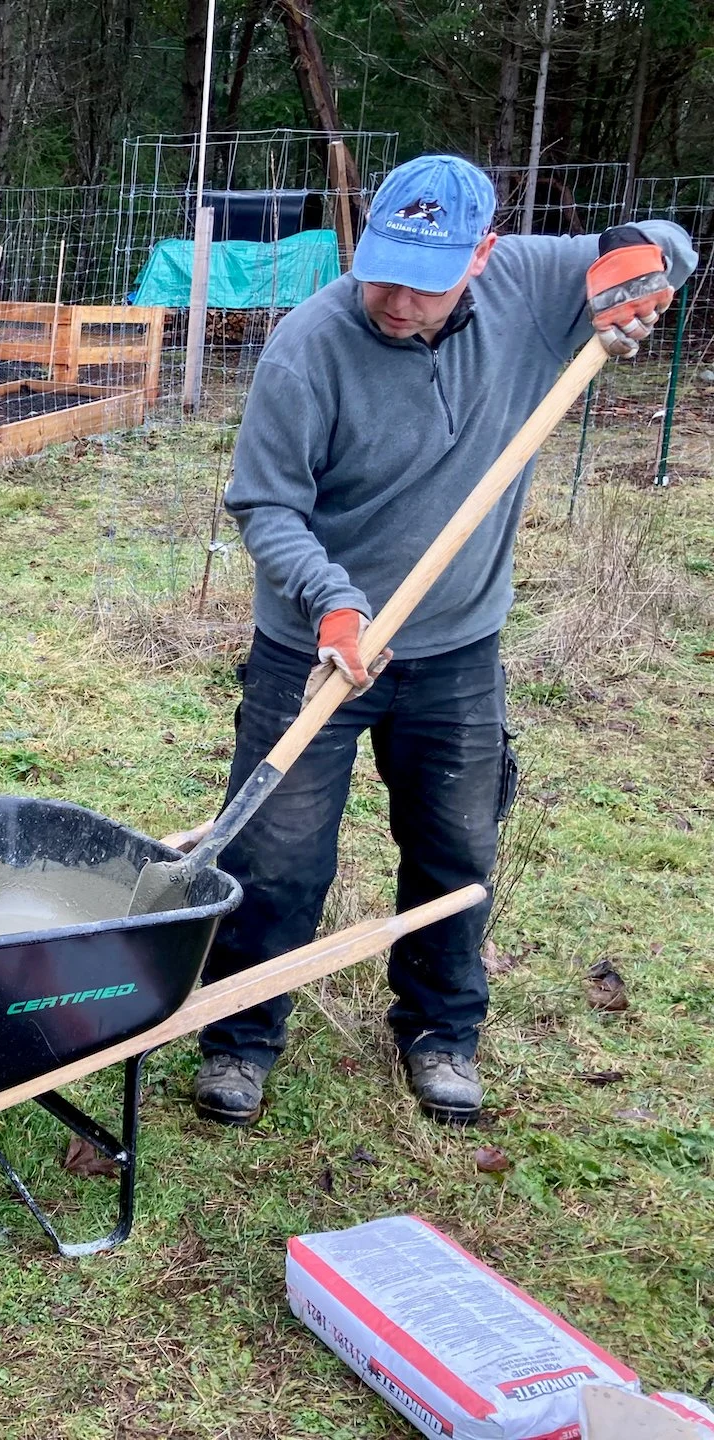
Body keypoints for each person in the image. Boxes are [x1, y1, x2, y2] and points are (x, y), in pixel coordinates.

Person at [189, 154, 698, 1126]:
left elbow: (666, 246)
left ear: (482, 254)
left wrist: (636, 271)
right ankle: (240, 1037)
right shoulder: (311, 345)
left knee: (456, 845)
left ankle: (441, 1030)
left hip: (458, 644)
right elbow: (265, 502)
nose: (394, 299)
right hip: (316, 643)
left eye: (424, 282)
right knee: (279, 854)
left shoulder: (531, 286)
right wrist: (332, 606)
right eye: (381, 269)